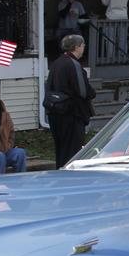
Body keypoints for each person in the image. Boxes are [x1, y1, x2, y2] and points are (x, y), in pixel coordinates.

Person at [47, 34, 96, 167]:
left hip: (55, 113)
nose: (84, 47)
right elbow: (84, 91)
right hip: (71, 115)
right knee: (73, 152)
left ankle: (60, 174)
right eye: (83, 45)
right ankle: (69, 179)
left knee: (61, 150)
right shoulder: (73, 64)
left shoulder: (56, 63)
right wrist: (93, 93)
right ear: (76, 47)